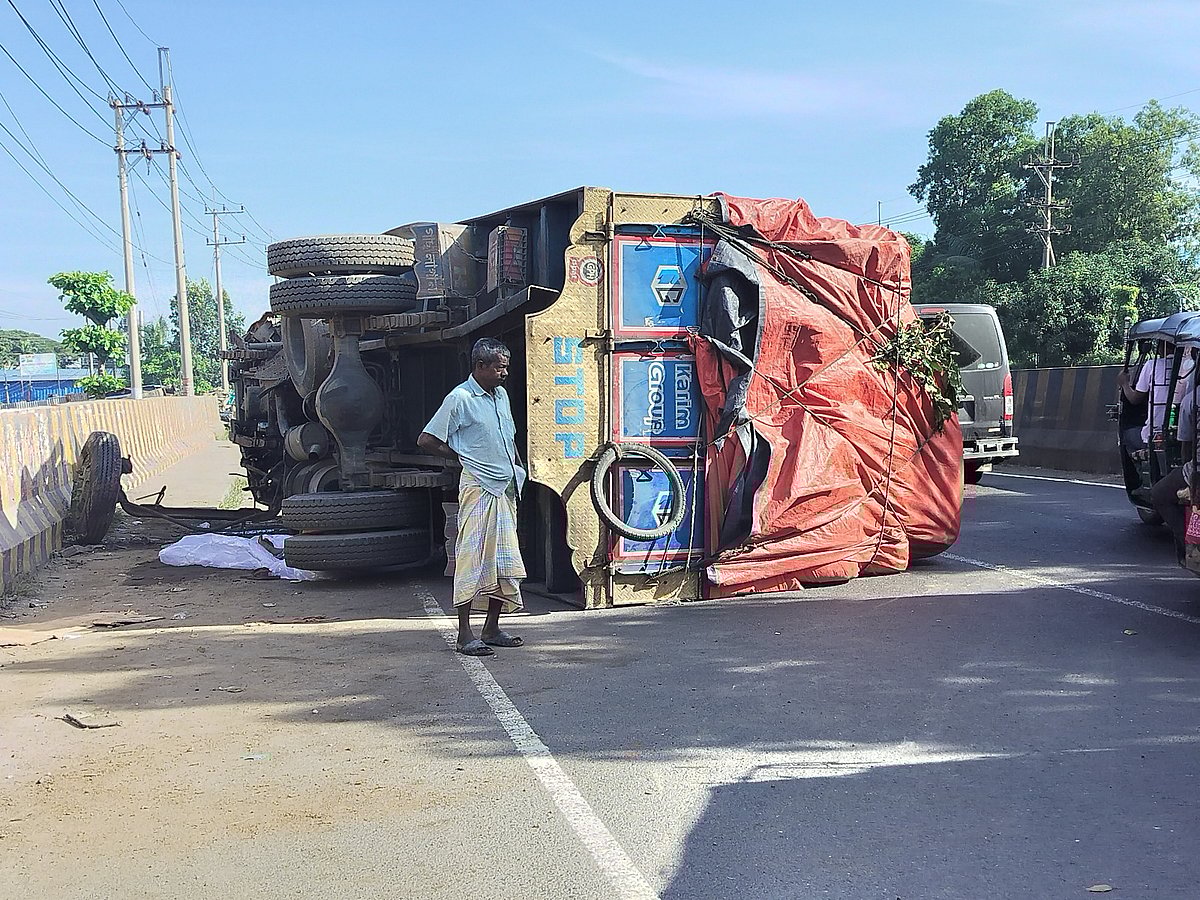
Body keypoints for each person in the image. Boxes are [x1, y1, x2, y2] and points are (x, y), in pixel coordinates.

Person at [418, 338, 527, 656]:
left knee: (502, 561)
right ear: (479, 367)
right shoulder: (460, 398)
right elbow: (427, 439)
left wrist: (518, 470)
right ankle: (465, 634)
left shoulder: (501, 396)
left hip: (506, 488)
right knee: (472, 558)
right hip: (479, 487)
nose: (504, 373)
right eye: (498, 367)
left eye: (505, 367)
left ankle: (491, 628)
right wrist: (459, 456)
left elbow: (509, 439)